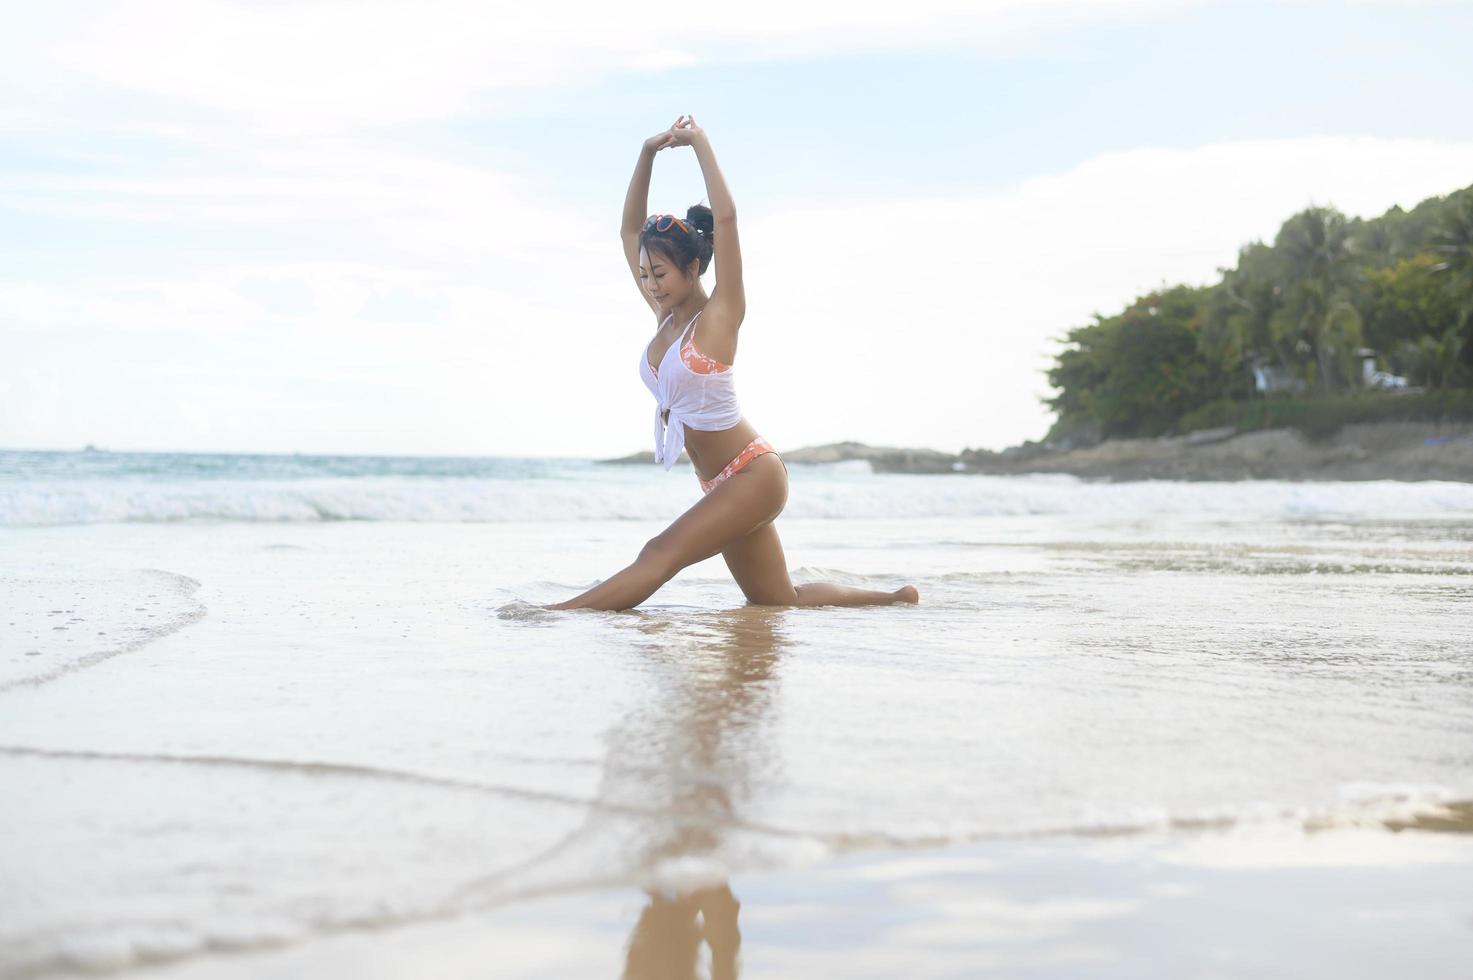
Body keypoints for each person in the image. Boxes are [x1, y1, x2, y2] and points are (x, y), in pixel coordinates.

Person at [546, 115, 919, 611]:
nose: (651, 284)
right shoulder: (665, 319)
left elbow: (727, 220)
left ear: (693, 267)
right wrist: (646, 154)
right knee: (775, 599)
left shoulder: (721, 314)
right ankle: (895, 599)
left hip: (753, 475)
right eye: (644, 274)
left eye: (660, 273)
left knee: (659, 553)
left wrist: (700, 144)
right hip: (718, 483)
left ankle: (554, 617)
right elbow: (629, 231)